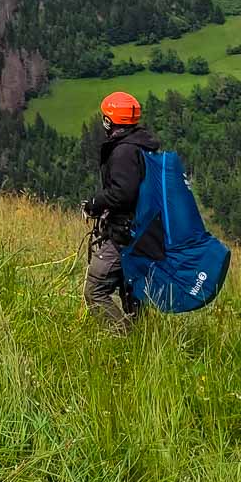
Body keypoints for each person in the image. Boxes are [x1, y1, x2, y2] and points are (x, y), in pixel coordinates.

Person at [81, 91, 159, 333]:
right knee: (131, 288)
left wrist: (95, 203)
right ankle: (143, 338)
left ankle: (124, 337)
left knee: (95, 289)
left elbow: (123, 194)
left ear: (109, 120)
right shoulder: (142, 145)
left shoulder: (124, 152)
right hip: (144, 231)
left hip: (124, 234)